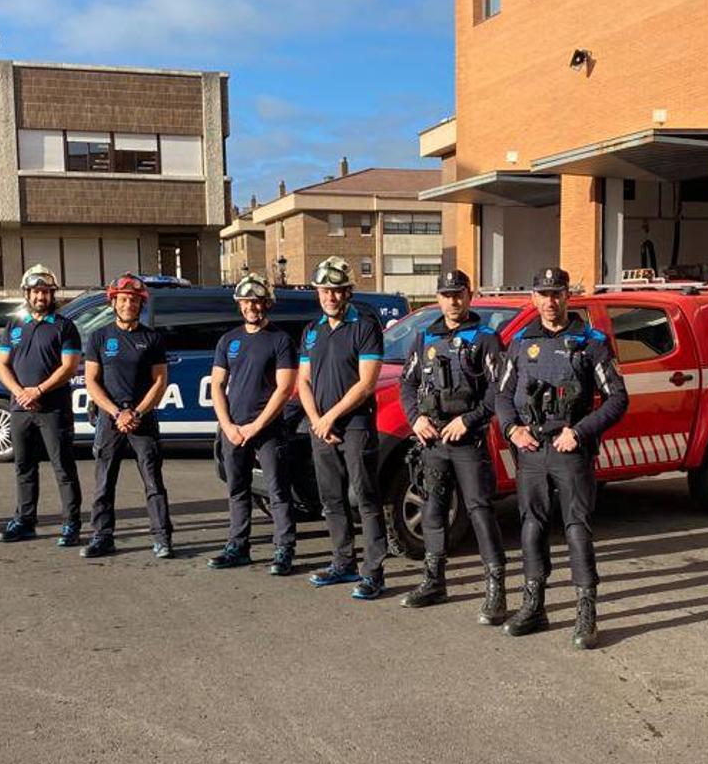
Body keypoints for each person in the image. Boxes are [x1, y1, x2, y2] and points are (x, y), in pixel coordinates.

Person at [495, 266, 629, 650]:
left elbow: (618, 399)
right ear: (533, 299)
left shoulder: (591, 341)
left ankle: (586, 611)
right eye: (543, 294)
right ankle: (534, 606)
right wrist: (511, 430)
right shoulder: (520, 342)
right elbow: (502, 396)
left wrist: (581, 431)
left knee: (576, 529)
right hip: (532, 451)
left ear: (568, 296)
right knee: (531, 526)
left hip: (572, 449)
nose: (550, 302)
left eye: (557, 294)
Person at [398, 269, 507, 620]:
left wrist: (469, 420)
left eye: (458, 293)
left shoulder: (486, 338)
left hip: (468, 440)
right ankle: (433, 581)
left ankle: (496, 590)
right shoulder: (425, 337)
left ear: (469, 295)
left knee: (479, 510)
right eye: (446, 294)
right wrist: (416, 418)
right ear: (438, 298)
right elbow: (407, 384)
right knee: (433, 508)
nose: (453, 300)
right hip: (433, 440)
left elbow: (499, 391)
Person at [297, 256, 388, 600]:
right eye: (324, 291)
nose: (330, 297)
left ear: (348, 292)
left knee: (365, 497)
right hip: (322, 426)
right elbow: (303, 381)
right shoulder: (312, 331)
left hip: (355, 425)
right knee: (331, 499)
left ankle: (374, 573)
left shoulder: (365, 326)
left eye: (336, 291)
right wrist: (318, 421)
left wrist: (329, 417)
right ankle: (343, 563)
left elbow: (366, 384)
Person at [208, 273, 299, 575]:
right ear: (239, 305)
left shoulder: (280, 340)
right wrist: (229, 426)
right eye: (246, 301)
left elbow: (284, 389)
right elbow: (218, 385)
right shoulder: (228, 340)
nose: (251, 307)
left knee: (277, 490)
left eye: (257, 301)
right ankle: (238, 546)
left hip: (268, 428)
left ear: (266, 304)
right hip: (233, 429)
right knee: (237, 489)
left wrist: (256, 426)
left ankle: (284, 549)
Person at [80, 274, 174, 559]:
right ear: (113, 302)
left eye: (134, 300)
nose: (128, 304)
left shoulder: (152, 338)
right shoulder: (99, 337)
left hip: (142, 419)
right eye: (122, 299)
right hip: (110, 419)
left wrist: (137, 412)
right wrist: (116, 412)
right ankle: (102, 537)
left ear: (140, 303)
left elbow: (160, 382)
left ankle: (162, 538)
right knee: (104, 483)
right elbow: (92, 381)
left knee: (153, 483)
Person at [0, 264, 84, 544]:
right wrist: (20, 392)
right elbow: (2, 366)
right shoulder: (15, 326)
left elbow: (70, 367)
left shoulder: (64, 326)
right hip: (20, 408)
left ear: (52, 294)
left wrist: (39, 390)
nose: (41, 296)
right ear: (27, 293)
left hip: (53, 408)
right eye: (35, 291)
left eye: (45, 291)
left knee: (63, 467)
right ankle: (25, 520)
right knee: (23, 465)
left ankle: (71, 524)